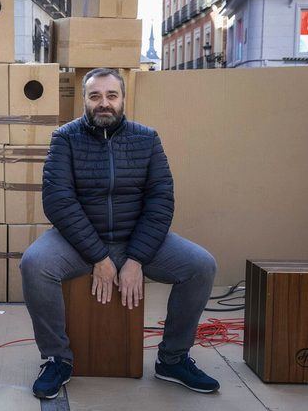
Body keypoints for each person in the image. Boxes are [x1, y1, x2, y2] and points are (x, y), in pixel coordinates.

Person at [21, 68, 219, 399]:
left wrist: (136, 259)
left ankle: (172, 360)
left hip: (136, 238)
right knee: (34, 264)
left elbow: (160, 200)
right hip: (79, 242)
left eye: (111, 96)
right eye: (95, 96)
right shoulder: (65, 139)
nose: (104, 103)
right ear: (84, 100)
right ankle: (57, 359)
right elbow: (58, 201)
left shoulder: (147, 139)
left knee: (201, 265)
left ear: (123, 99)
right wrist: (98, 256)